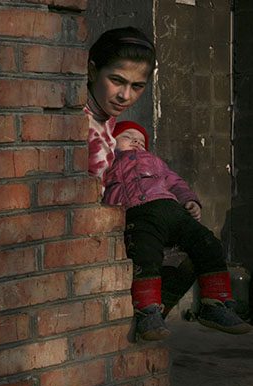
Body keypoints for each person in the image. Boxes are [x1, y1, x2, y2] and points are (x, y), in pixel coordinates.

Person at [103, 121, 251, 340]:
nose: (136, 141)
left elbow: (177, 184)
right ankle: (148, 312)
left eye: (141, 140)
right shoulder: (108, 162)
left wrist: (190, 200)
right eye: (128, 136)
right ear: (110, 142)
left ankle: (215, 304)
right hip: (139, 214)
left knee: (207, 242)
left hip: (172, 210)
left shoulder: (156, 163)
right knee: (146, 255)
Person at [85, 26, 194, 321]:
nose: (125, 95)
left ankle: (150, 317)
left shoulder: (109, 123)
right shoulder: (78, 121)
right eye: (116, 81)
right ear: (93, 71)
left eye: (137, 86)